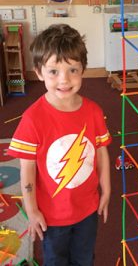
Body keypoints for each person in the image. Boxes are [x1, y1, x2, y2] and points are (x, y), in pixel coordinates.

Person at [8, 24, 112, 265]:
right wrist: (31, 210)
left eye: (72, 69)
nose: (64, 80)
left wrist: (106, 189)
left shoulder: (94, 112)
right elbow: (27, 169)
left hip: (87, 209)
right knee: (56, 261)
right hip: (51, 216)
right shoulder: (33, 119)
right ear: (39, 72)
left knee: (84, 258)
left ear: (83, 69)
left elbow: (101, 153)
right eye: (54, 71)